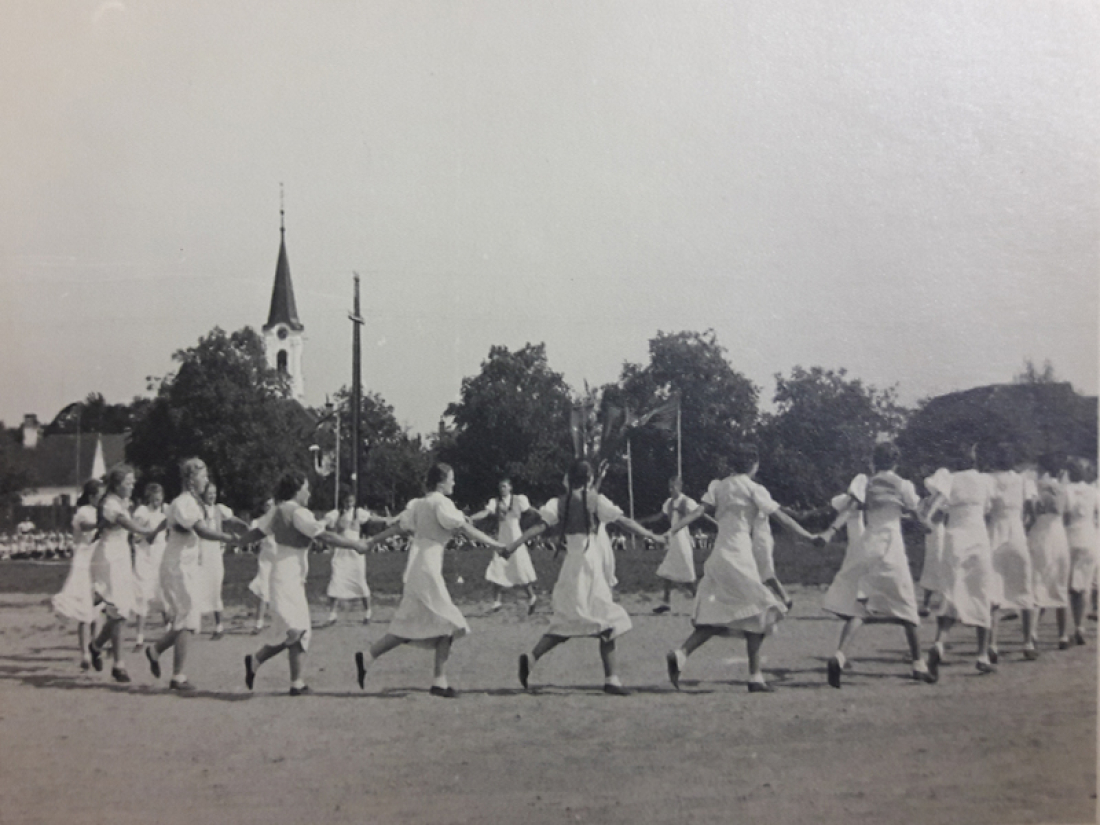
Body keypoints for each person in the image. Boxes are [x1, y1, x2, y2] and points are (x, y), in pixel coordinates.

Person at [664, 444, 819, 694]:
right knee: (759, 610)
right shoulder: (754, 488)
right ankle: (755, 676)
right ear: (753, 465)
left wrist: (670, 530)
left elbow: (697, 513)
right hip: (739, 555)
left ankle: (681, 654)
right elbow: (782, 517)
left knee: (719, 614)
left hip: (718, 556)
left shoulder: (720, 486)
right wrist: (809, 536)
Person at [505, 460, 665, 696]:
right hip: (590, 565)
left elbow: (539, 527)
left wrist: (513, 545)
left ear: (570, 478)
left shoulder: (558, 502)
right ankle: (612, 679)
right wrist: (653, 535)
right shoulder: (595, 500)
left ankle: (532, 658)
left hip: (572, 565)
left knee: (568, 620)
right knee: (607, 618)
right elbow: (624, 522)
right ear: (589, 478)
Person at [353, 463, 504, 697]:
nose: (454, 483)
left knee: (409, 624)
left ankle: (368, 658)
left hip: (417, 567)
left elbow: (397, 529)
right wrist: (497, 545)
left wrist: (371, 543)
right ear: (441, 481)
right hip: (428, 569)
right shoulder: (441, 503)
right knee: (448, 621)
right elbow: (465, 529)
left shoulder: (418, 504)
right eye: (451, 479)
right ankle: (439, 682)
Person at [240, 471, 369, 695]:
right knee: (295, 629)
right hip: (285, 576)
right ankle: (290, 679)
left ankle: (283, 676)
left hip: (289, 575)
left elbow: (256, 533)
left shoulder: (277, 511)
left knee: (297, 631)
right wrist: (354, 545)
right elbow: (325, 536)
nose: (309, 492)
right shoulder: (299, 513)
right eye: (306, 488)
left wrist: (237, 541)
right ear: (297, 489)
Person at [820, 443, 935, 687]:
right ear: (896, 462)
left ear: (875, 461)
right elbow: (916, 516)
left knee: (861, 608)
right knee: (907, 606)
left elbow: (849, 509)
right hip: (890, 546)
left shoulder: (866, 483)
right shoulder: (903, 485)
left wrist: (830, 531)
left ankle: (839, 656)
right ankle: (918, 665)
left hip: (868, 544)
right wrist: (927, 525)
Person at [145, 459, 248, 691]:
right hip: (177, 566)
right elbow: (201, 530)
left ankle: (156, 651)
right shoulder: (184, 503)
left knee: (189, 619)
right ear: (191, 479)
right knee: (187, 616)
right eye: (203, 476)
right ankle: (177, 676)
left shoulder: (193, 502)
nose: (207, 480)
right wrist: (228, 538)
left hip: (188, 565)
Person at [923, 445, 998, 678]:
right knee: (981, 592)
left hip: (954, 538)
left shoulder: (950, 479)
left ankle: (940, 642)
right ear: (974, 461)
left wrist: (926, 517)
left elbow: (937, 504)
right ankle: (982, 655)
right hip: (978, 538)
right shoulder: (985, 480)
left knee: (950, 593)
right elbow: (988, 508)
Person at [87, 465, 165, 683]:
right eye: (128, 483)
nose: (132, 486)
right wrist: (145, 531)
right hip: (108, 558)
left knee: (120, 611)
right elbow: (124, 522)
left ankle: (96, 645)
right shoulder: (111, 503)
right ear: (117, 484)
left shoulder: (122, 502)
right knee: (118, 610)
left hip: (121, 556)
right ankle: (119, 665)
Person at [985, 443, 1038, 662]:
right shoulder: (1023, 480)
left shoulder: (989, 480)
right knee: (1024, 584)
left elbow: (985, 510)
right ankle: (1027, 642)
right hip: (1016, 532)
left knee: (993, 588)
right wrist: (1023, 525)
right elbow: (1033, 512)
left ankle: (992, 644)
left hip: (995, 533)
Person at [320, 490, 394, 626]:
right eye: (347, 501)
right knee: (335, 580)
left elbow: (372, 517)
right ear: (343, 501)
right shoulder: (336, 513)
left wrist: (386, 519)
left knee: (360, 580)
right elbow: (324, 521)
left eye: (351, 501)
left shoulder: (358, 513)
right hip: (341, 552)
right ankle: (332, 615)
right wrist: (319, 524)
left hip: (356, 552)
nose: (349, 504)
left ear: (354, 502)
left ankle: (368, 613)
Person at [52, 479, 104, 670]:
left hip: (97, 559)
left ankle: (93, 647)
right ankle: (84, 653)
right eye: (99, 495)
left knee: (97, 609)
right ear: (91, 496)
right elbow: (85, 527)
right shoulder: (83, 512)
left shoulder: (101, 511)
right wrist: (101, 523)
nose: (102, 498)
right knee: (84, 608)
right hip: (83, 560)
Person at [468, 478, 538, 614]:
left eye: (505, 486)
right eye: (500, 487)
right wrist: (471, 518)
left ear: (510, 488)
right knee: (498, 566)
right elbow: (485, 512)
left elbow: (531, 510)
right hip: (503, 538)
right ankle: (496, 601)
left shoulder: (519, 500)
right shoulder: (495, 502)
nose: (502, 489)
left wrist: (545, 516)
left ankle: (532, 597)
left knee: (521, 567)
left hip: (516, 538)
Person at [1027, 453, 1071, 649]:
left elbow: (1031, 511)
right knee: (1059, 581)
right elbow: (1065, 512)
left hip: (1039, 532)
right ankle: (1062, 635)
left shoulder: (1036, 486)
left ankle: (1033, 632)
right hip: (1057, 534)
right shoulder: (1062, 488)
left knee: (1037, 581)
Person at [647, 476, 698, 614]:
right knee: (667, 571)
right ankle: (666, 602)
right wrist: (642, 522)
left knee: (687, 574)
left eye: (673, 486)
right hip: (673, 539)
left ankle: (700, 601)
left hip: (682, 539)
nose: (670, 489)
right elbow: (660, 516)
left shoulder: (686, 501)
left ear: (679, 486)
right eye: (669, 486)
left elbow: (699, 513)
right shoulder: (669, 502)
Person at [1064, 457, 1098, 646]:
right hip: (1090, 538)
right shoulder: (1094, 491)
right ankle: (1079, 627)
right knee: (1084, 586)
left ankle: (1070, 628)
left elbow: (1065, 516)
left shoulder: (1067, 490)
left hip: (1071, 537)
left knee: (1070, 587)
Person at [197, 482, 237, 639]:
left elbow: (232, 519)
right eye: (209, 493)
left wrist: (245, 526)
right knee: (198, 586)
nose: (212, 496)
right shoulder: (199, 509)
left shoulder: (220, 509)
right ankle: (195, 624)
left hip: (214, 552)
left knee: (215, 587)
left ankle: (219, 626)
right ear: (204, 494)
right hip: (201, 550)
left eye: (214, 493)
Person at [131, 483, 168, 649]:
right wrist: (151, 532)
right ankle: (139, 638)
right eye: (154, 498)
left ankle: (169, 632)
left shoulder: (165, 511)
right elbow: (138, 537)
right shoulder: (141, 512)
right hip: (145, 556)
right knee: (143, 596)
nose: (157, 501)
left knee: (164, 593)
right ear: (149, 498)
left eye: (160, 497)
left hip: (161, 555)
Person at [247, 498, 276, 634]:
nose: (269, 507)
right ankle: (259, 623)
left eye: (271, 505)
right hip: (265, 559)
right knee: (262, 589)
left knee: (280, 589)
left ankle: (281, 619)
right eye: (266, 505)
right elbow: (252, 540)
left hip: (278, 559)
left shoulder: (278, 521)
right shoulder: (258, 522)